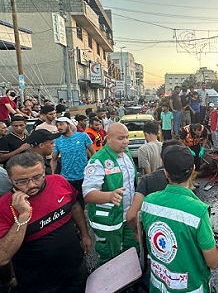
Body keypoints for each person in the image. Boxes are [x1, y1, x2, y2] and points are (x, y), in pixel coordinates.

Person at [0, 152, 92, 293]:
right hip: (38, 283)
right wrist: (23, 216)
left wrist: (85, 234)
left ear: (44, 171)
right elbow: (3, 257)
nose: (31, 185)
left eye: (37, 177)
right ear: (10, 179)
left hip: (75, 269)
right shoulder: (4, 206)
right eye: (22, 181)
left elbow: (74, 206)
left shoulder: (58, 181)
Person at [140, 145, 218, 292]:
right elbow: (213, 261)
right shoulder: (198, 211)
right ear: (193, 169)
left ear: (165, 172)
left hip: (158, 286)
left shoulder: (148, 202)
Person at [83, 122, 138, 265]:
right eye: (121, 138)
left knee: (131, 252)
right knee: (110, 259)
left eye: (127, 137)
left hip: (128, 216)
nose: (125, 141)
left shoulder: (126, 154)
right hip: (108, 221)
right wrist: (109, 196)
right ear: (108, 139)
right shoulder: (97, 161)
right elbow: (88, 194)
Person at [126, 139, 182, 234]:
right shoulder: (184, 179)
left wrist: (137, 232)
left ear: (161, 156)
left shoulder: (147, 180)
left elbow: (131, 215)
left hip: (153, 235)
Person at [51, 117, 95, 207]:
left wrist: (91, 168)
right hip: (67, 178)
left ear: (68, 124)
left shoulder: (82, 136)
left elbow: (93, 152)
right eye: (57, 125)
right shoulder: (57, 141)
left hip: (84, 176)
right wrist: (53, 174)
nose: (59, 127)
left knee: (86, 201)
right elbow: (53, 159)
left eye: (61, 124)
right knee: (72, 203)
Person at [180, 123, 208, 190]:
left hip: (196, 146)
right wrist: (188, 149)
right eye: (198, 133)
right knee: (189, 166)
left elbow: (205, 137)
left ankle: (193, 180)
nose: (199, 135)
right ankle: (189, 184)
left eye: (200, 133)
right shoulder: (185, 130)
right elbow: (181, 141)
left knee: (197, 164)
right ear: (193, 130)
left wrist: (203, 148)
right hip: (187, 147)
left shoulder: (203, 129)